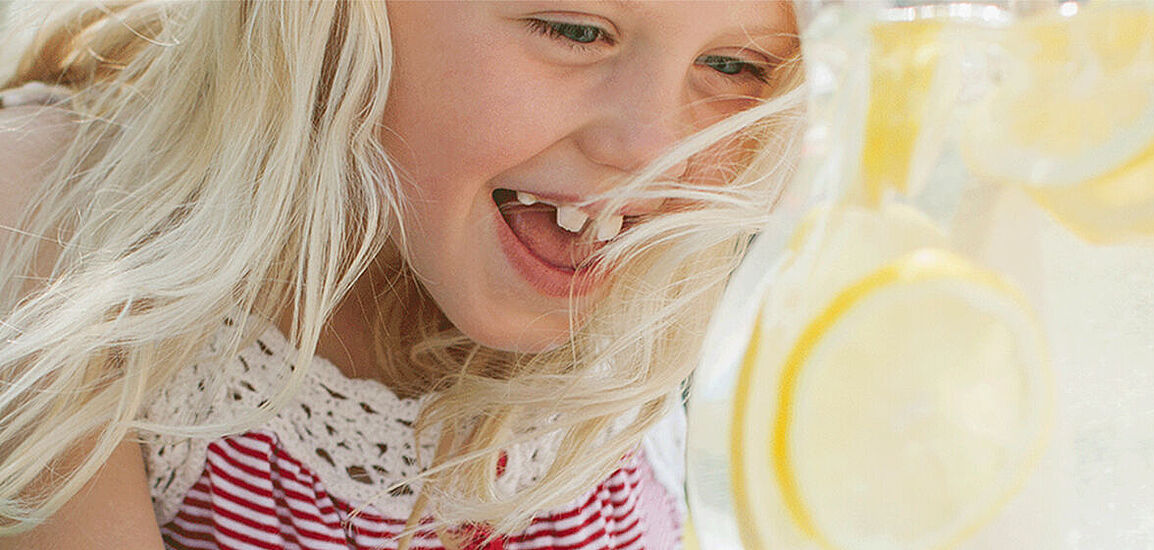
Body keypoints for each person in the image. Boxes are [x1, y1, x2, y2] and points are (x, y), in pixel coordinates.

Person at [0, 1, 802, 549]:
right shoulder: (62, 229)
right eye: (575, 29)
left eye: (735, 65)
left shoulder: (713, 307)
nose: (651, 149)